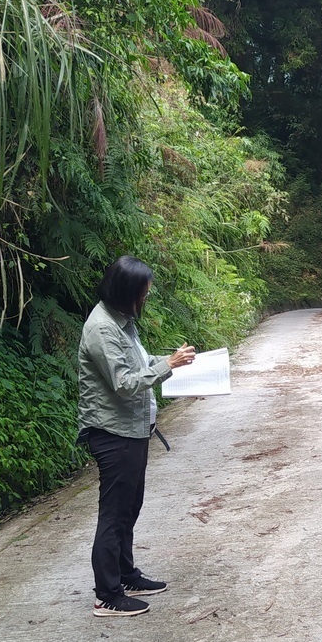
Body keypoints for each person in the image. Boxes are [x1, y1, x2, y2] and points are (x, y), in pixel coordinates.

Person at [77, 256, 196, 617]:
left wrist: (174, 360)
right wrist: (168, 366)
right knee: (113, 514)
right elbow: (125, 383)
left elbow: (138, 364)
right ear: (127, 291)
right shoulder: (101, 329)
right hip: (112, 433)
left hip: (132, 430)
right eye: (143, 292)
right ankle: (107, 595)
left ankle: (125, 574)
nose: (147, 296)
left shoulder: (122, 321)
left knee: (130, 507)